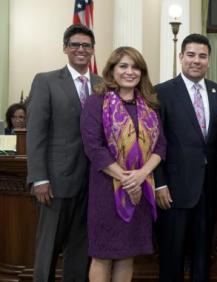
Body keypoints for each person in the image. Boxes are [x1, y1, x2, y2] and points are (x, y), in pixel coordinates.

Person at [80, 46, 166, 281]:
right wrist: (126, 178)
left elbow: (160, 147)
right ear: (112, 70)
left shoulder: (149, 104)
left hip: (141, 188)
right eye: (123, 66)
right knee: (103, 255)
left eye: (135, 67)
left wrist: (141, 175)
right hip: (106, 189)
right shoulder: (96, 102)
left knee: (128, 254)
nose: (130, 72)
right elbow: (93, 147)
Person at [26, 24, 102, 281]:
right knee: (49, 248)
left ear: (92, 50)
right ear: (65, 48)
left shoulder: (102, 84)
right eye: (75, 45)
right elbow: (36, 133)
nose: (81, 50)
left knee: (81, 250)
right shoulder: (46, 80)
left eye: (86, 46)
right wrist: (39, 178)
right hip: (56, 182)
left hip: (92, 181)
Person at [154, 33, 217, 282]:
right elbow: (155, 143)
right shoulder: (161, 92)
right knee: (171, 259)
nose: (196, 60)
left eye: (202, 56)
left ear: (209, 60)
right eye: (191, 55)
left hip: (208, 192)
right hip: (173, 192)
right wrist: (160, 183)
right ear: (181, 57)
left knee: (202, 259)